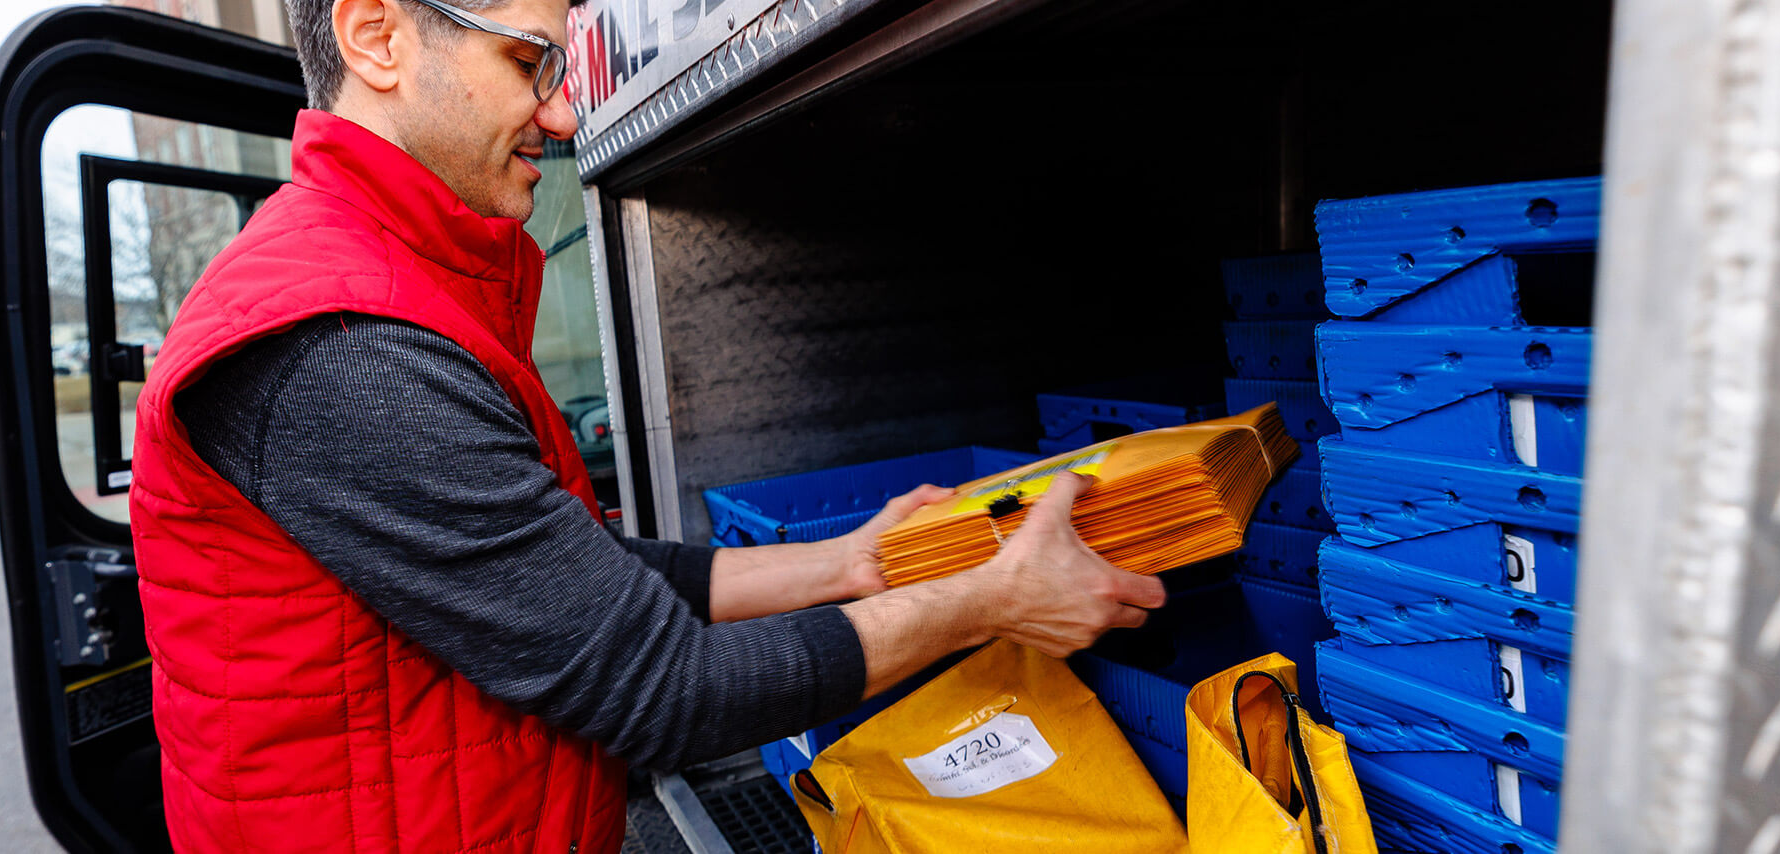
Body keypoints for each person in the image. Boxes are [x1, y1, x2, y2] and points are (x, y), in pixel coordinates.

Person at [125, 0, 1169, 850]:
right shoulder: (336, 338)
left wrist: (844, 562)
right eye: (529, 60)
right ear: (377, 36)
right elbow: (659, 687)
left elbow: (569, 575)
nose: (563, 115)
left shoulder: (391, 288)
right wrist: (993, 598)